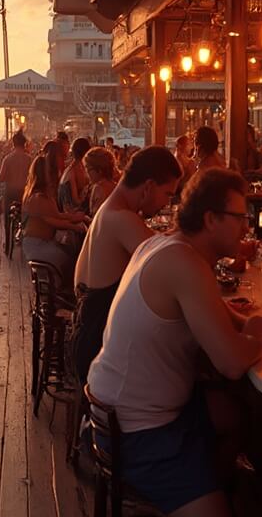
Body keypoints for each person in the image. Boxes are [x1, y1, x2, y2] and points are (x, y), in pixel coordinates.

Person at [87, 169, 262, 517]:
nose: (246, 227)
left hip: (127, 408)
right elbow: (232, 362)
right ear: (211, 219)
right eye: (239, 217)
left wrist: (240, 318)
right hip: (134, 429)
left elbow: (214, 310)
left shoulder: (166, 247)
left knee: (232, 420)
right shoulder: (186, 264)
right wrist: (255, 333)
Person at [73, 146, 183, 381]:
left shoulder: (110, 210)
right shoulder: (123, 219)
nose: (166, 203)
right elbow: (173, 268)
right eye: (167, 194)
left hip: (88, 337)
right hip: (100, 352)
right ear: (149, 187)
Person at [20, 155, 90, 289]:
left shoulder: (35, 194)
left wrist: (79, 217)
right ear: (44, 174)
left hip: (38, 242)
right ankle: (61, 292)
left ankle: (58, 290)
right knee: (70, 258)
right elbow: (56, 221)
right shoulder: (39, 198)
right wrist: (77, 225)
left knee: (69, 254)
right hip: (37, 245)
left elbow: (57, 216)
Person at [0, 130, 32, 218]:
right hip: (24, 192)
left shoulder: (7, 159)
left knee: (8, 217)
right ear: (24, 144)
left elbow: (1, 178)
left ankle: (8, 230)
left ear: (13, 144)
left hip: (11, 192)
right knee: (24, 217)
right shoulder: (29, 159)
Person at [58, 137, 91, 213]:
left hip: (69, 210)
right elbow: (76, 201)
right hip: (71, 212)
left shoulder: (73, 167)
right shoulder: (75, 170)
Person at [83, 147, 118, 214]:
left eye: (88, 169)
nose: (86, 174)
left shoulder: (98, 188)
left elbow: (96, 218)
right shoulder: (115, 186)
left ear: (99, 170)